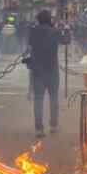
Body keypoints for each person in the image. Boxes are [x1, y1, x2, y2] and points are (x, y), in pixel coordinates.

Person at [28, 10, 61, 138]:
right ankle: (53, 125)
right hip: (52, 70)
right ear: (49, 19)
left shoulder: (33, 31)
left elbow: (30, 45)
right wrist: (66, 29)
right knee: (53, 99)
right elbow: (66, 40)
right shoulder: (55, 31)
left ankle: (39, 128)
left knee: (38, 100)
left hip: (38, 70)